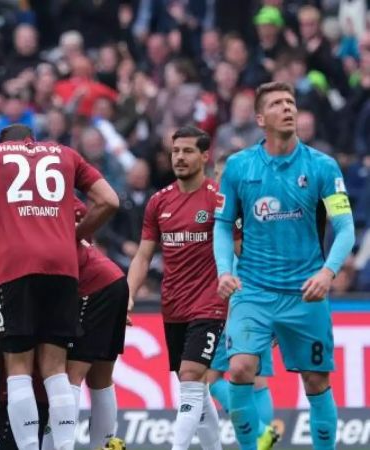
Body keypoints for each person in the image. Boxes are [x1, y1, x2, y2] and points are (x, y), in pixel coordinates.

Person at [0, 124, 119, 450]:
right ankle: (63, 447)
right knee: (55, 369)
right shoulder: (66, 154)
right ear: (31, 140)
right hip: (64, 269)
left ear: (3, 144)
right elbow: (109, 200)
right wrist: (73, 235)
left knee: (18, 368)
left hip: (17, 267)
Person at [214, 81, 355, 450]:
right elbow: (224, 224)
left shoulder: (322, 166)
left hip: (304, 294)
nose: (288, 108)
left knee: (316, 382)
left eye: (291, 102)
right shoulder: (239, 167)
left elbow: (345, 229)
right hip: (253, 291)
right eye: (277, 103)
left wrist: (328, 271)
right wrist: (224, 271)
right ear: (260, 118)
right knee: (241, 368)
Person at [127, 126, 226, 450]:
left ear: (204, 156)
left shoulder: (218, 199)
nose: (180, 158)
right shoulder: (159, 201)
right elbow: (143, 256)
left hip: (210, 303)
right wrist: (128, 294)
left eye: (187, 151)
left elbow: (240, 249)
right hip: (173, 305)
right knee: (195, 388)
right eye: (175, 152)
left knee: (189, 377)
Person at [206, 151, 279, 447]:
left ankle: (260, 432)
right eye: (220, 176)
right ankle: (261, 437)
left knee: (209, 379)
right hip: (247, 303)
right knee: (254, 381)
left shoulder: (241, 212)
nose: (224, 181)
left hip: (237, 305)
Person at [65, 198, 128, 450]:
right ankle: (104, 446)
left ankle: (61, 445)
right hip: (112, 279)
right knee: (101, 377)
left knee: (70, 374)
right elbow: (83, 214)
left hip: (90, 285)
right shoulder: (61, 197)